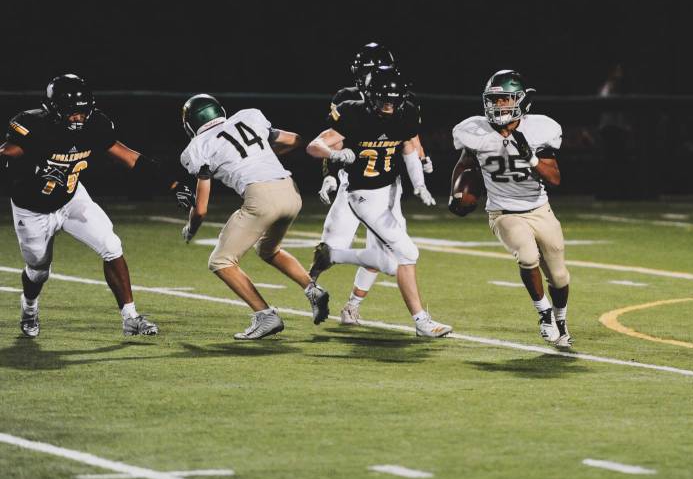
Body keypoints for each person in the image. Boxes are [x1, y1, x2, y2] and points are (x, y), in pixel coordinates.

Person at [1, 74, 194, 337]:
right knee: (37, 271)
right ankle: (30, 307)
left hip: (71, 198)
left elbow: (130, 158)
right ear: (54, 109)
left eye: (83, 112)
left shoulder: (96, 124)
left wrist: (173, 185)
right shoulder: (32, 125)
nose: (79, 118)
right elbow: (8, 157)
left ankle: (130, 317)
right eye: (72, 113)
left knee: (111, 245)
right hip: (32, 208)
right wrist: (38, 168)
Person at [305, 66, 450, 338]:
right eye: (384, 100)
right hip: (362, 193)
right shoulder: (352, 112)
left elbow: (408, 147)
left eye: (394, 100)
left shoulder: (406, 112)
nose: (389, 106)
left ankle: (334, 256)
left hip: (390, 190)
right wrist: (334, 158)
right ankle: (421, 321)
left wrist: (419, 184)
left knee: (393, 263)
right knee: (408, 253)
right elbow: (314, 145)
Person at [179, 94, 329, 340]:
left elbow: (201, 208)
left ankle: (265, 315)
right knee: (268, 250)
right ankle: (312, 289)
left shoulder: (197, 147)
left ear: (190, 124)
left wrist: (191, 228)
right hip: (290, 190)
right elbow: (296, 140)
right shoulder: (248, 117)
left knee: (221, 261)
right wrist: (262, 158)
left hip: (261, 197)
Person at [449, 70, 571, 348]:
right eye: (494, 100)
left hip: (539, 208)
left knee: (559, 275)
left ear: (519, 100)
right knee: (527, 256)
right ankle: (544, 314)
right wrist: (457, 191)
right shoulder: (475, 131)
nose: (498, 105)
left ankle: (561, 320)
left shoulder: (539, 129)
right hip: (503, 211)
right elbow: (465, 163)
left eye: (504, 99)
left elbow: (554, 178)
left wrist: (531, 158)